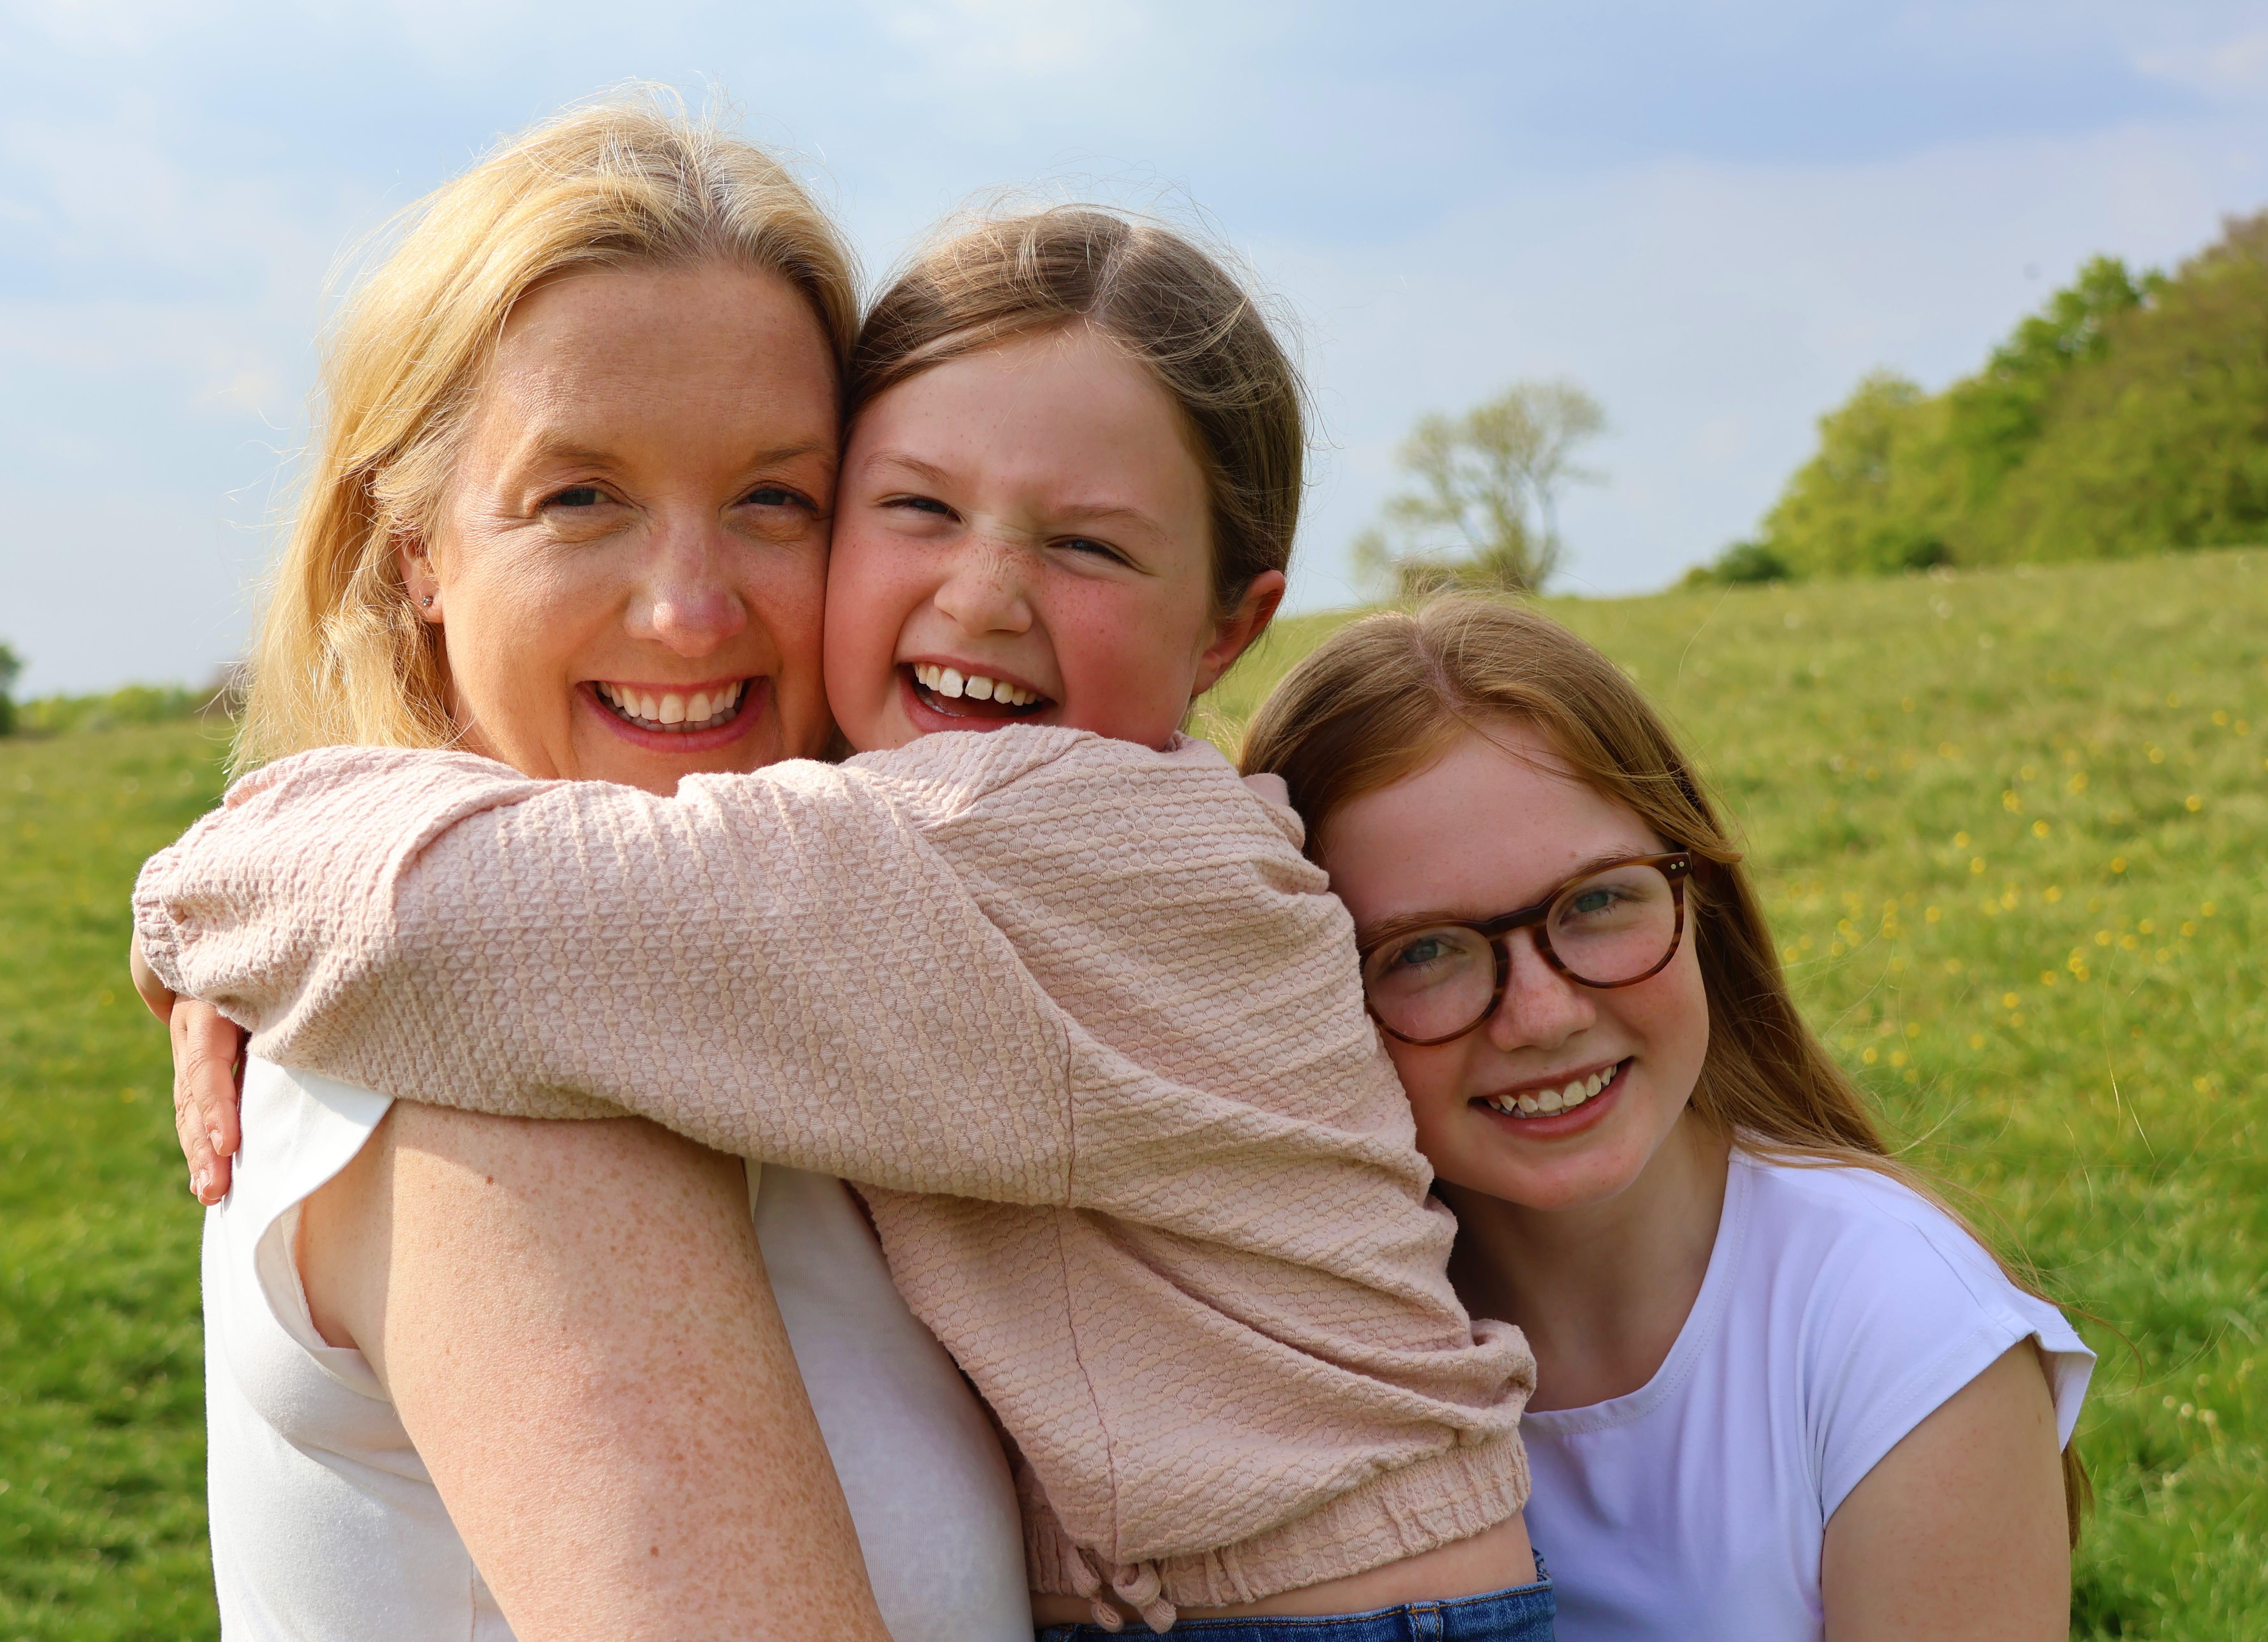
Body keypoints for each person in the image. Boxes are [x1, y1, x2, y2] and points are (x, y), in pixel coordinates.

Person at [135, 104, 1554, 1640]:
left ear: (1228, 623)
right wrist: (238, 915)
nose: (690, 613)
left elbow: (446, 917)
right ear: (410, 545)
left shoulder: (937, 876)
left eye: (774, 498)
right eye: (580, 496)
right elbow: (441, 926)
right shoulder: (502, 1057)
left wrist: (210, 902)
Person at [1238, 595, 2093, 1641]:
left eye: (1598, 902)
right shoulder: (1275, 1338)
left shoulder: (1902, 1329)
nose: (1544, 1016)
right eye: (1424, 952)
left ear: (1701, 901)